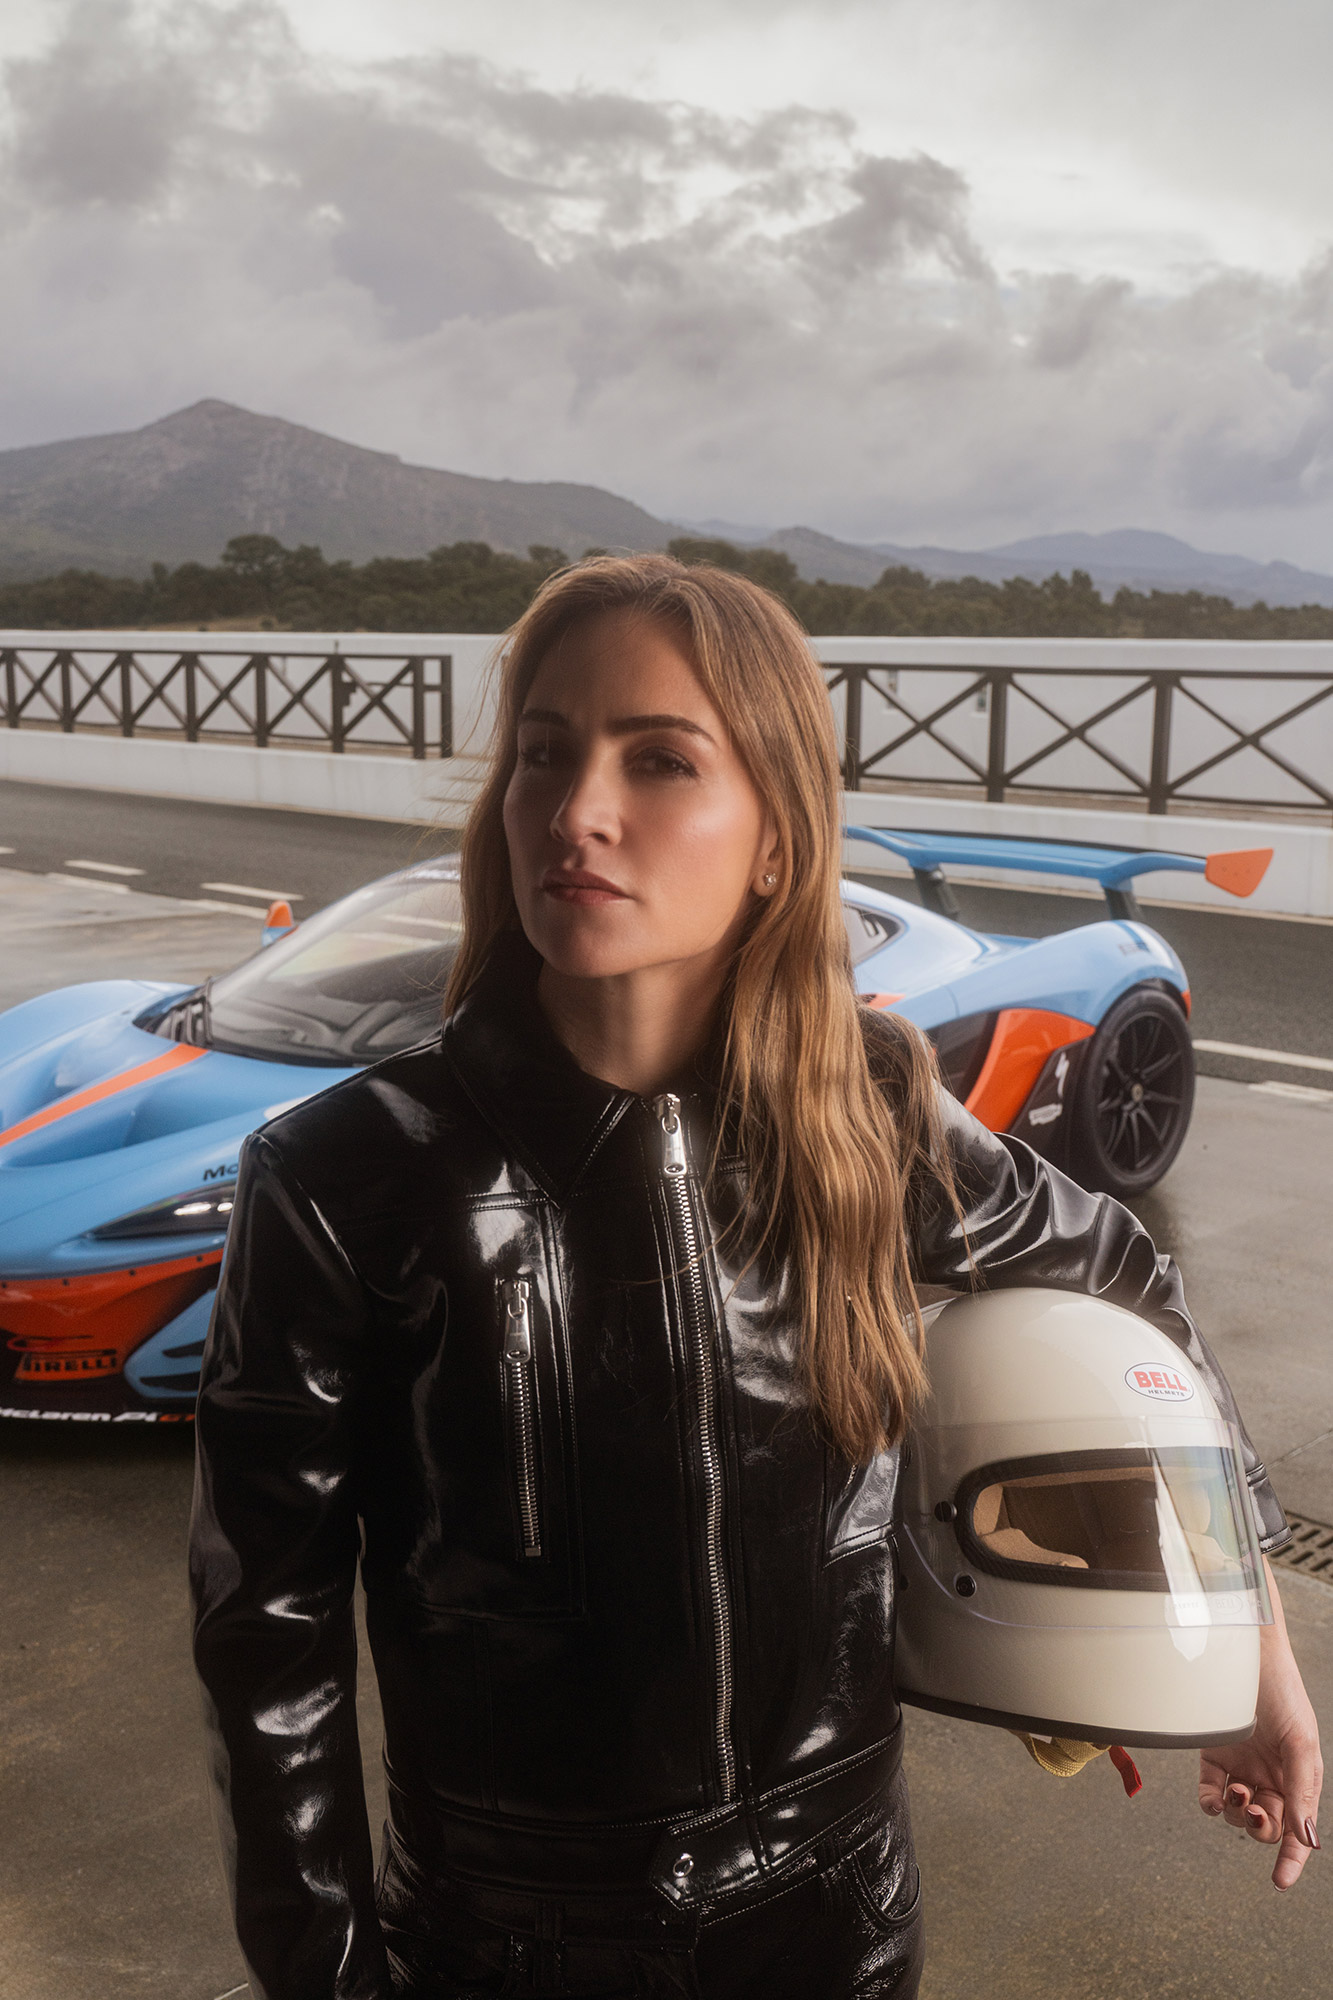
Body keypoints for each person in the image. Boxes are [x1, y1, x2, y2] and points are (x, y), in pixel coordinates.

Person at [190, 555, 1321, 2000]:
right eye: (545, 751)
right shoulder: (345, 1173)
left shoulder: (870, 1111)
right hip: (504, 1946)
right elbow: (265, 1639)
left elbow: (1130, 1288)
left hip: (842, 1920)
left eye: (658, 759)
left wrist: (1249, 1664)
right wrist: (327, 1979)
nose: (578, 809)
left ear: (774, 840)